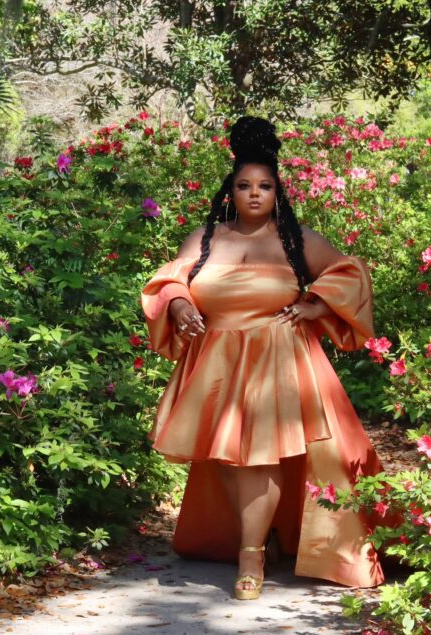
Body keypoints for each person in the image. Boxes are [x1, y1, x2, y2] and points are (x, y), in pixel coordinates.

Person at [140, 116, 393, 600]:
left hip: (279, 357)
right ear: (229, 190)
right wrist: (180, 304)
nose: (254, 194)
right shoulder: (205, 239)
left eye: (265, 186)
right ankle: (266, 537)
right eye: (243, 185)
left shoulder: (297, 239)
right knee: (229, 460)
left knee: (258, 457)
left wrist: (315, 304)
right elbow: (169, 279)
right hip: (217, 359)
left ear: (278, 191)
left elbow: (351, 274)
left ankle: (251, 556)